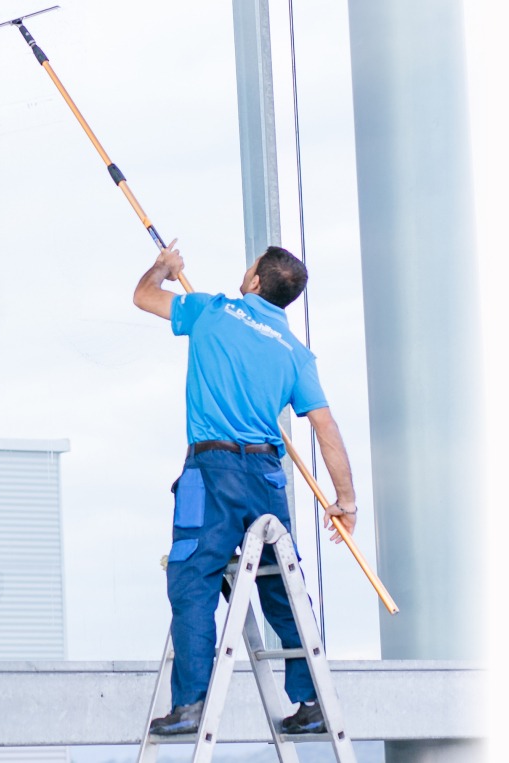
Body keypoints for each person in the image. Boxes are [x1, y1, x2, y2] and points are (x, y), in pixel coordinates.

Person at [132, 241, 360, 736]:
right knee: (281, 586)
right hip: (266, 477)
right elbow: (326, 427)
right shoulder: (296, 354)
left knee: (193, 580)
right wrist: (346, 501)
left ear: (256, 280)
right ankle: (314, 700)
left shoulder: (212, 310)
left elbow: (143, 297)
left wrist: (164, 269)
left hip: (210, 471)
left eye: (251, 263)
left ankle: (191, 704)